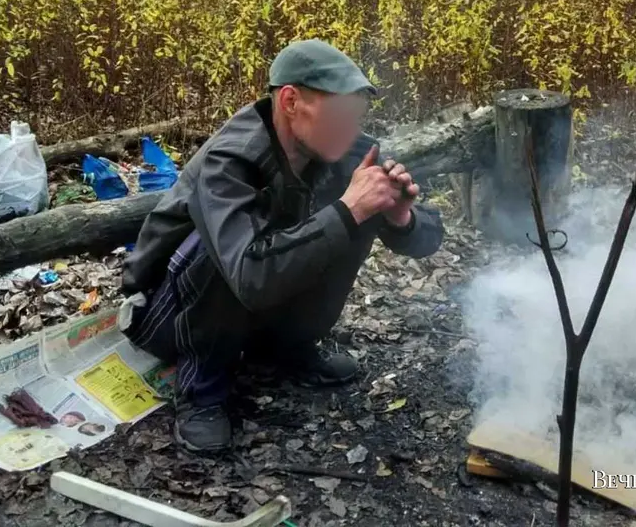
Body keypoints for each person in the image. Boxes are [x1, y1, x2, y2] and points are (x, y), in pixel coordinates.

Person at [119, 39, 444, 453]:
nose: (351, 129)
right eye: (340, 115)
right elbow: (250, 276)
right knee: (225, 244)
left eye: (356, 117)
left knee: (358, 210)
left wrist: (401, 218)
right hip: (169, 314)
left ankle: (287, 348)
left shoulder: (350, 150)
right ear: (290, 101)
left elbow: (428, 239)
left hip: (257, 307)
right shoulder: (230, 160)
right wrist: (348, 209)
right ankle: (201, 388)